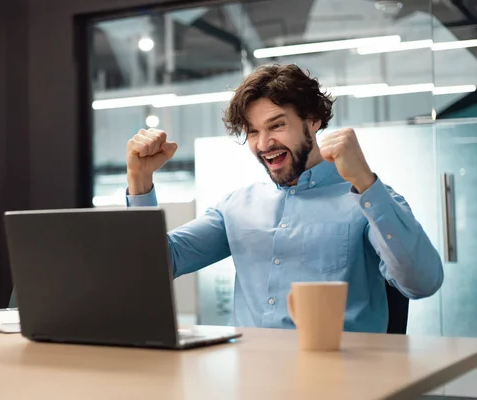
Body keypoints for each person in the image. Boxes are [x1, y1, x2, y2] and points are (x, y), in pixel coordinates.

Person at [124, 64, 443, 333]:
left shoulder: (368, 200)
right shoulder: (236, 207)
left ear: (313, 121)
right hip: (249, 381)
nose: (264, 143)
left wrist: (365, 181)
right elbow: (152, 267)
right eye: (252, 132)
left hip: (341, 380)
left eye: (276, 125)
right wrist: (140, 182)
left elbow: (423, 282)